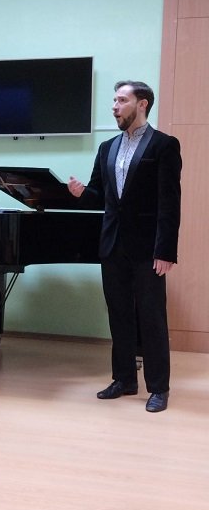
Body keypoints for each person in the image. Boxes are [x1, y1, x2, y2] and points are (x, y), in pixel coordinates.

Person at [67, 81, 182, 413]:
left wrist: (165, 251)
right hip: (112, 245)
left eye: (121, 100)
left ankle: (159, 388)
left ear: (142, 104)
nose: (114, 106)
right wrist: (81, 194)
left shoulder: (164, 145)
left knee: (151, 317)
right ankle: (124, 379)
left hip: (148, 249)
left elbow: (169, 203)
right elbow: (100, 197)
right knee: (118, 316)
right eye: (114, 100)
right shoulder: (107, 147)